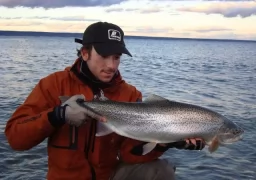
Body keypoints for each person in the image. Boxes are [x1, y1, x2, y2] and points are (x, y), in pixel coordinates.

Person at [4, 21, 205, 180]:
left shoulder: (130, 94)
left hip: (110, 176)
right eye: (104, 56)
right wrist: (57, 115)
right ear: (85, 53)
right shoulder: (54, 84)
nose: (111, 65)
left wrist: (166, 142)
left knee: (162, 170)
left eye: (116, 57)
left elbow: (129, 154)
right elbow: (15, 138)